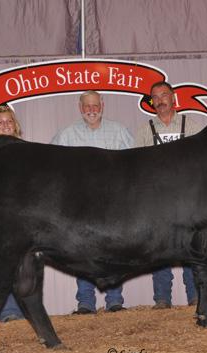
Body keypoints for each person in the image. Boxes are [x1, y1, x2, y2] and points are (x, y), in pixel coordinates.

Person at [51, 90, 133, 314]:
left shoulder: (119, 132)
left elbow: (135, 166)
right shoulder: (66, 135)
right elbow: (52, 169)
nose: (91, 109)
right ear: (80, 108)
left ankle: (114, 301)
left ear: (102, 105)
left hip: (113, 203)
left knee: (114, 251)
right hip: (81, 205)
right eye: (86, 106)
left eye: (95, 105)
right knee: (81, 252)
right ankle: (85, 303)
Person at [135, 81, 201, 309]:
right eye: (155, 97)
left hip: (187, 198)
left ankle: (195, 296)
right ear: (152, 102)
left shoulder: (190, 126)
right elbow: (137, 168)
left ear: (173, 98)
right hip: (157, 200)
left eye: (164, 95)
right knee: (160, 248)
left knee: (191, 247)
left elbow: (200, 163)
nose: (160, 100)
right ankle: (162, 298)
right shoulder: (145, 131)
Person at [0, 104, 26, 322]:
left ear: (15, 125)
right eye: (0, 122)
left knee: (23, 265)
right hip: (1, 215)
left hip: (23, 215)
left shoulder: (26, 149)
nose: (5, 125)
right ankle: (7, 310)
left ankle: (24, 309)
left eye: (8, 121)